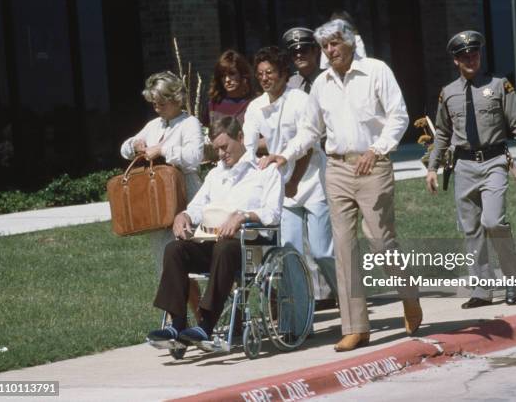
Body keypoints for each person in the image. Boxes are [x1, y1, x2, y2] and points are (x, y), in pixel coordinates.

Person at [261, 19, 422, 352]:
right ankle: (356, 327)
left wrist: (377, 149)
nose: (330, 51)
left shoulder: (377, 71)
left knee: (379, 240)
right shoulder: (321, 85)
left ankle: (408, 293)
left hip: (373, 165)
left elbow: (399, 115)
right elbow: (309, 130)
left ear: (350, 42)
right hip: (336, 169)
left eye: (335, 43)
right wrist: (285, 155)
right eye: (325, 46)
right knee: (344, 248)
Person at [425, 31, 516, 309]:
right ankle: (481, 289)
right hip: (463, 165)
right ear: (455, 60)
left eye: (474, 54)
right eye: (464, 56)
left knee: (493, 222)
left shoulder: (500, 85)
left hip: (493, 162)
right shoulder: (448, 93)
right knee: (471, 229)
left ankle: (513, 280)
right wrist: (432, 167)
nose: (470, 59)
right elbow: (442, 133)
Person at [147, 116, 283, 344]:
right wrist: (184, 215)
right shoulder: (215, 174)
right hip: (211, 242)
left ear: (240, 138)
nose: (220, 154)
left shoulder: (264, 171)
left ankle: (206, 324)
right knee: (174, 250)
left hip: (247, 246)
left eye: (224, 147)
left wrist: (243, 216)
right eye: (217, 149)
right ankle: (177, 325)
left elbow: (273, 213)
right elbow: (198, 206)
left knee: (225, 247)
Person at [243, 46, 337, 307]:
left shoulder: (300, 99)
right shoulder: (255, 107)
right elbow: (249, 144)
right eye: (260, 73)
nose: (264, 78)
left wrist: (294, 178)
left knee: (322, 251)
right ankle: (299, 314)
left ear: (284, 73)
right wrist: (246, 164)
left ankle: (349, 300)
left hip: (312, 180)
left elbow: (308, 143)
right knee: (290, 252)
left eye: (270, 72)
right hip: (282, 188)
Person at [120, 71, 204, 273]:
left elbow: (194, 158)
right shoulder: (153, 125)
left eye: (161, 103)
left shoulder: (189, 123)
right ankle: (175, 305)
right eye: (154, 103)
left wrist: (163, 150)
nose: (157, 108)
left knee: (191, 264)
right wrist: (134, 145)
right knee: (167, 266)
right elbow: (123, 149)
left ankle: (205, 304)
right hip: (157, 201)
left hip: (185, 195)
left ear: (175, 99)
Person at [202, 49, 255, 128]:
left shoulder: (254, 104)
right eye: (223, 75)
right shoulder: (213, 104)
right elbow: (206, 133)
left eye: (232, 74)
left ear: (242, 74)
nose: (227, 80)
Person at [283, 27, 322, 94]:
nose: (299, 55)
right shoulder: (287, 85)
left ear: (315, 51)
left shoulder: (328, 78)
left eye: (303, 50)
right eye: (294, 52)